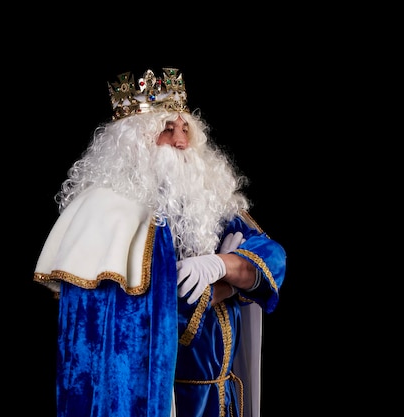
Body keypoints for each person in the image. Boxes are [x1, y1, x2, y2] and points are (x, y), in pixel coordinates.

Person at [33, 67, 286, 417]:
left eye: (185, 129)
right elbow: (138, 323)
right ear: (132, 143)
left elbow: (272, 256)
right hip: (165, 400)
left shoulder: (204, 200)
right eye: (167, 130)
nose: (181, 142)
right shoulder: (105, 214)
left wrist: (220, 265)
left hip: (222, 397)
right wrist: (228, 289)